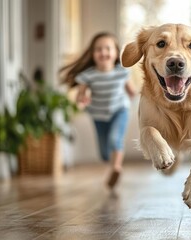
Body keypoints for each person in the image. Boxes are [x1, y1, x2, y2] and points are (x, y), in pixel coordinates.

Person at [60, 32, 136, 188]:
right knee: (103, 153)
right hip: (98, 115)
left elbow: (132, 92)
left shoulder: (122, 72)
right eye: (99, 49)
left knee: (115, 139)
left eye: (108, 48)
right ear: (92, 54)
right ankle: (111, 161)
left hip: (119, 111)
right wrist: (82, 101)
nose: (103, 52)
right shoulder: (88, 76)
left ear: (116, 52)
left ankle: (116, 168)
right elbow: (80, 97)